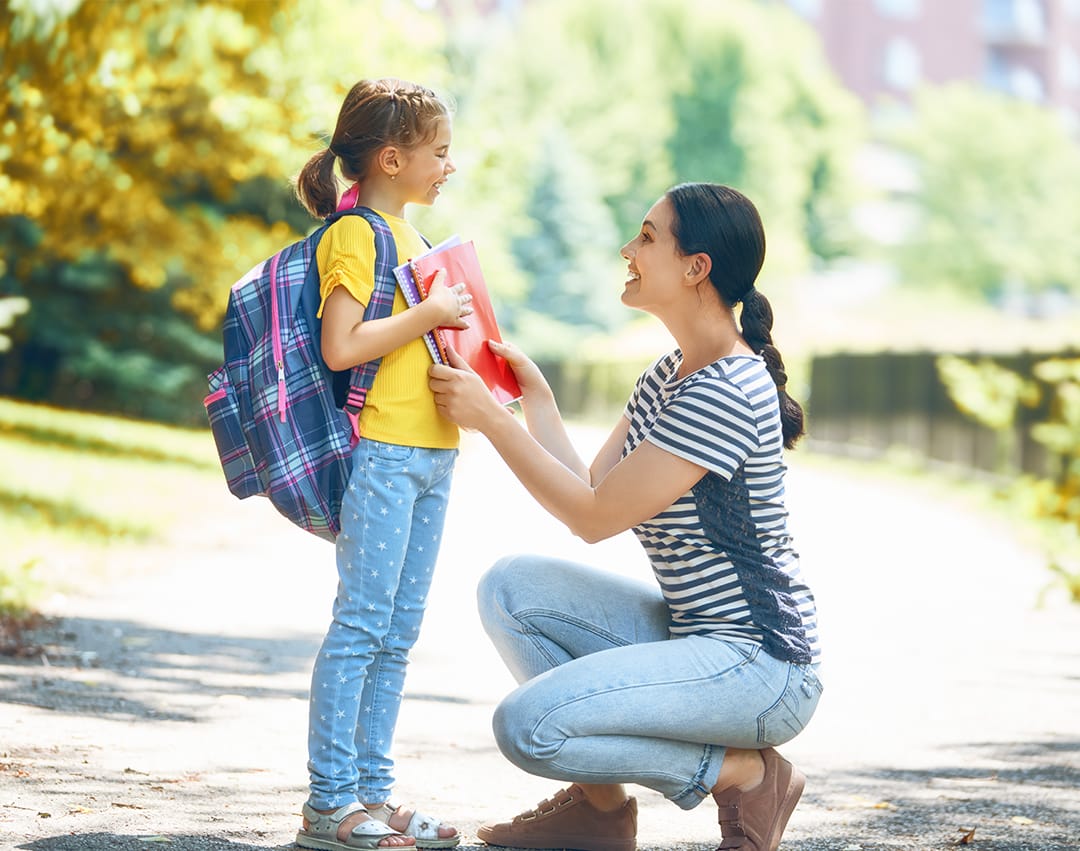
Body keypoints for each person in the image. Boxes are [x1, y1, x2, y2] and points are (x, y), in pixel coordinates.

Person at [428, 183, 823, 851]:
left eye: (646, 236)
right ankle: (600, 813)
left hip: (762, 665)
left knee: (529, 726)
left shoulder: (726, 388)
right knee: (511, 588)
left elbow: (593, 517)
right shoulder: (670, 374)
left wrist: (491, 421)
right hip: (697, 638)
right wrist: (536, 404)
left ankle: (743, 774)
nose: (627, 249)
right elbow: (590, 486)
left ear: (696, 266)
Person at [291, 77, 471, 851]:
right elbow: (343, 345)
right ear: (392, 158)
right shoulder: (356, 235)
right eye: (439, 152)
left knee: (397, 631)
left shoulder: (421, 243)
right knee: (362, 624)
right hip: (386, 454)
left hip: (434, 453)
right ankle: (329, 803)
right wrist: (428, 314)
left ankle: (371, 790)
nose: (449, 167)